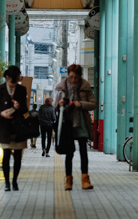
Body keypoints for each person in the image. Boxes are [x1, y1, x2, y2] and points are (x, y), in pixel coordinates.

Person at [54, 63, 96, 191]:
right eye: (71, 77)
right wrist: (60, 104)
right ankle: (68, 181)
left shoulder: (85, 87)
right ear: (68, 75)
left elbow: (93, 104)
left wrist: (81, 104)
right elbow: (55, 105)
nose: (73, 80)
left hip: (81, 123)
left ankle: (85, 180)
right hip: (67, 123)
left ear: (80, 76)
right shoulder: (62, 88)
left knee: (83, 151)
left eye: (76, 77)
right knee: (69, 153)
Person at [0, 65, 28, 191]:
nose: (14, 83)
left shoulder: (22, 89)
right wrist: (1, 113)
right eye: (12, 81)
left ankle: (15, 181)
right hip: (4, 126)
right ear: (7, 77)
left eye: (16, 80)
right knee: (5, 155)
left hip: (18, 127)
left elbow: (25, 110)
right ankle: (6, 182)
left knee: (17, 156)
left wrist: (19, 106)